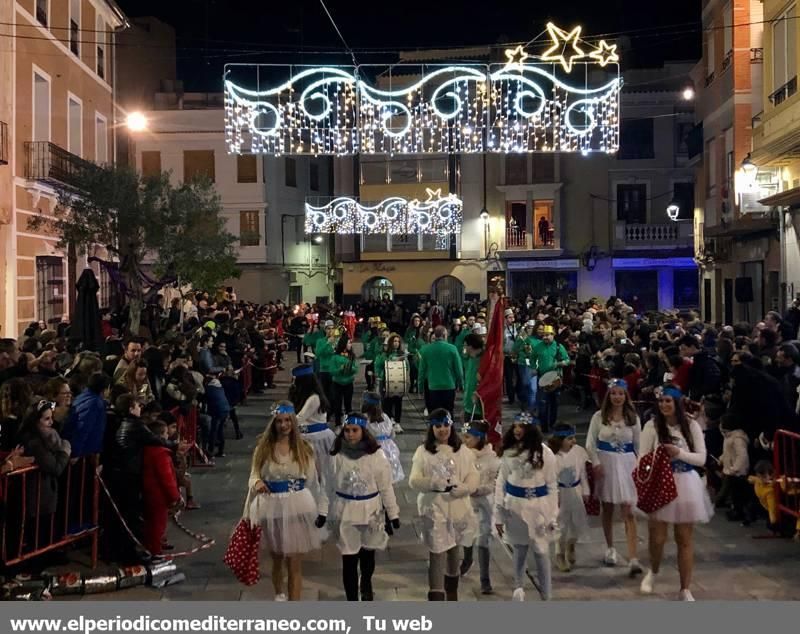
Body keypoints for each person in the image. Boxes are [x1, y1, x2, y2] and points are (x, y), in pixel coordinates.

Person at [639, 385, 713, 602]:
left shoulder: (691, 426)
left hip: (686, 483)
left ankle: (685, 588)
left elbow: (701, 458)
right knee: (658, 538)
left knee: (684, 538)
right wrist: (657, 459)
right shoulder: (651, 426)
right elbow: (642, 457)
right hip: (660, 482)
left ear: (677, 403)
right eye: (661, 401)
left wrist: (679, 453)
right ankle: (653, 571)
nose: (664, 405)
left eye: (668, 401)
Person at [316, 412, 400, 601]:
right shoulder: (336, 455)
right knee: (349, 558)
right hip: (345, 511)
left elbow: (385, 487)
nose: (350, 434)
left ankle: (366, 582)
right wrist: (322, 511)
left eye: (354, 430)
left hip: (370, 511)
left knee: (368, 555)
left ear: (363, 431)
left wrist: (393, 513)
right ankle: (352, 598)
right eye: (347, 430)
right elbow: (327, 485)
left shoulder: (376, 455)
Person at [246, 401, 324, 601]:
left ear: (293, 422)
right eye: (279, 421)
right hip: (272, 508)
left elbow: (313, 481)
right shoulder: (263, 448)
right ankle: (279, 594)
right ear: (274, 423)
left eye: (287, 420)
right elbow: (254, 475)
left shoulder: (304, 449)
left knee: (294, 563)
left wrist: (322, 508)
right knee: (277, 559)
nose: (284, 425)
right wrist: (257, 484)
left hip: (297, 507)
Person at [409, 409, 478, 601]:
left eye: (445, 425)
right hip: (434, 509)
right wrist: (432, 483)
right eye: (438, 426)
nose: (442, 430)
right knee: (437, 551)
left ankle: (453, 594)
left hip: (457, 508)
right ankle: (436, 595)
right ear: (432, 428)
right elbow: (414, 480)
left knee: (454, 553)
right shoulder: (423, 452)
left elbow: (473, 475)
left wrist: (465, 488)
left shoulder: (462, 451)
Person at [494, 412, 558, 601]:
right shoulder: (509, 451)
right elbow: (501, 482)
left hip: (539, 508)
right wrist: (498, 515)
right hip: (515, 506)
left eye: (521, 427)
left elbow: (552, 485)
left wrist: (553, 515)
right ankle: (518, 588)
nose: (517, 430)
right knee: (519, 548)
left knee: (541, 550)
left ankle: (546, 593)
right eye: (515, 426)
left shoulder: (545, 453)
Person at [584, 378, 642, 574]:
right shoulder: (599, 417)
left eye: (621, 393)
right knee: (607, 507)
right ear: (609, 396)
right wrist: (596, 462)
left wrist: (641, 468)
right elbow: (590, 443)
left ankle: (633, 556)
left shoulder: (633, 418)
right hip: (606, 463)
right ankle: (610, 548)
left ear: (626, 396)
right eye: (614, 393)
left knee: (629, 510)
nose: (617, 397)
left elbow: (638, 445)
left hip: (626, 464)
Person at [17, 400, 72, 545]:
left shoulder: (50, 437)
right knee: (38, 534)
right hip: (37, 495)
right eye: (46, 419)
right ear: (35, 420)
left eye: (51, 418)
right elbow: (55, 467)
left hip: (45, 494)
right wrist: (65, 451)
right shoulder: (34, 442)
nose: (50, 422)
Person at [459, 419, 500, 595]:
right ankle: (467, 559)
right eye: (464, 436)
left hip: (484, 504)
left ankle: (485, 579)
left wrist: (478, 489)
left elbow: (494, 483)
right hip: (465, 502)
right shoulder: (461, 455)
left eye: (468, 437)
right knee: (466, 535)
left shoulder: (492, 459)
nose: (464, 440)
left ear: (479, 438)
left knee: (484, 540)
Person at [548, 423, 590, 572]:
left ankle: (571, 544)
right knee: (561, 524)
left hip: (576, 490)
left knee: (577, 523)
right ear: (560, 440)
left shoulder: (578, 452)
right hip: (560, 493)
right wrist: (554, 497)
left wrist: (586, 490)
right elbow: (550, 478)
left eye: (574, 438)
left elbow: (583, 473)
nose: (574, 442)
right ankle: (559, 553)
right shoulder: (552, 456)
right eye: (569, 438)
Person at [141, 420, 181, 557]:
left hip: (149, 492)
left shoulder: (147, 450)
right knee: (158, 523)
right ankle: (156, 551)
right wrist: (175, 496)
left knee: (151, 522)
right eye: (165, 433)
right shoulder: (161, 454)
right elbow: (166, 477)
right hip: (158, 494)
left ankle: (154, 543)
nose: (168, 436)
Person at [290, 364, 335, 483]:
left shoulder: (314, 399)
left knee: (319, 473)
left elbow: (299, 418)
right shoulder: (304, 396)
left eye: (295, 380)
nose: (293, 383)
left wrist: (282, 417)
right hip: (306, 437)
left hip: (316, 439)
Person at [61, 372, 110, 458]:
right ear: (105, 389)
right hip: (83, 454)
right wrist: (75, 453)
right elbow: (83, 427)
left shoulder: (83, 396)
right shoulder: (95, 403)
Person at [418, 326, 463, 415]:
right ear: (444, 335)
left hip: (433, 387)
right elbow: (459, 370)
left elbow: (421, 371)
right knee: (448, 413)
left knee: (435, 414)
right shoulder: (452, 348)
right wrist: (461, 384)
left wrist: (420, 387)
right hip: (449, 386)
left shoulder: (426, 350)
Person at [532, 325, 569, 432]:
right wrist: (534, 367)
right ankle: (544, 426)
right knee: (543, 403)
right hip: (542, 378)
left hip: (555, 379)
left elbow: (567, 359)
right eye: (544, 335)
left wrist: (562, 363)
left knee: (554, 403)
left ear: (553, 335)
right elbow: (532, 358)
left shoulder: (558, 347)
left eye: (548, 335)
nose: (545, 337)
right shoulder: (538, 347)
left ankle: (552, 423)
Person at [362, 393, 404, 485]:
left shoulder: (365, 419)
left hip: (373, 448)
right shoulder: (385, 416)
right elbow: (392, 434)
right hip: (389, 448)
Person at [715, 414, 750, 522]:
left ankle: (739, 512)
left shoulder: (737, 438)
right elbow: (727, 452)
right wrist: (721, 459)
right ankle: (733, 509)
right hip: (730, 469)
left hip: (737, 472)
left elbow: (742, 455)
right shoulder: (728, 436)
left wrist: (735, 468)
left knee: (737, 493)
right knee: (733, 493)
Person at [374, 334, 406, 429]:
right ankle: (388, 422)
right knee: (387, 403)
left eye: (398, 341)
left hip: (399, 382)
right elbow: (378, 366)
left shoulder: (401, 354)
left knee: (398, 402)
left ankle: (397, 422)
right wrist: (380, 375)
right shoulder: (384, 355)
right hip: (386, 381)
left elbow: (406, 367)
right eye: (394, 341)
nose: (396, 343)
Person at [330, 337, 358, 428]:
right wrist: (340, 369)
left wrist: (350, 368)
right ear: (343, 344)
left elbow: (356, 368)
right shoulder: (335, 357)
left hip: (348, 383)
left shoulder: (351, 356)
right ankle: (338, 424)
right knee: (337, 405)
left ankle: (348, 423)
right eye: (349, 343)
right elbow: (332, 371)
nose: (350, 345)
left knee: (348, 405)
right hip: (337, 383)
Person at [462, 333, 485, 421]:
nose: (464, 348)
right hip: (468, 406)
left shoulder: (484, 361)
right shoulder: (471, 359)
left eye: (465, 345)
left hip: (479, 409)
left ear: (470, 347)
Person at [502, 309, 519, 405]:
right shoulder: (502, 329)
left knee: (519, 377)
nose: (512, 319)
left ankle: (518, 392)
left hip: (516, 355)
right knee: (508, 378)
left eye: (513, 317)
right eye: (510, 317)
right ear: (505, 319)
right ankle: (511, 397)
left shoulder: (517, 327)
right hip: (507, 356)